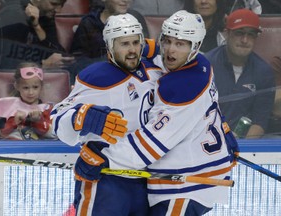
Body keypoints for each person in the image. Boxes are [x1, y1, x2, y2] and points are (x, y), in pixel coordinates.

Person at [68, 10, 237, 215]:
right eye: (167, 41)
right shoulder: (201, 64)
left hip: (185, 186)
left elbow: (148, 146)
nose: (170, 51)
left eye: (180, 44)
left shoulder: (182, 88)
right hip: (203, 170)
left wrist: (102, 158)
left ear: (195, 46)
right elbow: (153, 48)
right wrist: (223, 127)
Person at [50, 13, 163, 215]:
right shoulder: (97, 78)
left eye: (136, 43)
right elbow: (57, 120)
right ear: (110, 46)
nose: (131, 50)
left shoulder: (155, 68)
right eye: (124, 44)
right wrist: (81, 117)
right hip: (107, 181)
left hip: (148, 180)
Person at [205, 9, 275, 138]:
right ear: (227, 34)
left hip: (244, 144)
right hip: (206, 140)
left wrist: (240, 147)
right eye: (239, 33)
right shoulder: (206, 65)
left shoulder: (264, 72)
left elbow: (259, 122)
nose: (245, 40)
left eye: (251, 34)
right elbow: (196, 114)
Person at [0, 0, 75, 69]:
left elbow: (58, 54)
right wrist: (43, 65)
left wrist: (37, 27)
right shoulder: (11, 15)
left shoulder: (46, 16)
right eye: (53, 4)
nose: (59, 10)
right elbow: (5, 65)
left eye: (62, 5)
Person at [0, 62, 56, 140]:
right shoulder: (3, 105)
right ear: (17, 86)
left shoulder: (47, 109)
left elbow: (53, 134)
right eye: (26, 88)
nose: (31, 92)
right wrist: (13, 122)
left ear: (41, 87)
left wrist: (38, 121)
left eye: (35, 87)